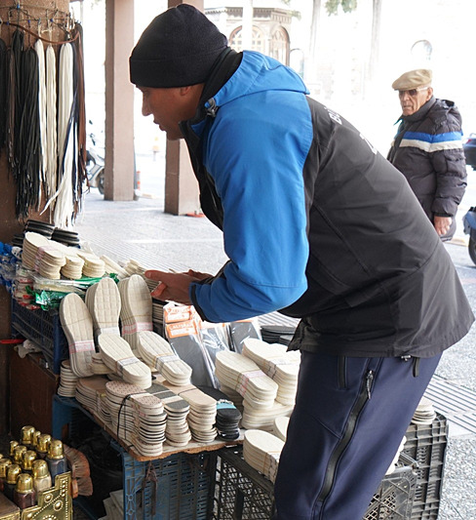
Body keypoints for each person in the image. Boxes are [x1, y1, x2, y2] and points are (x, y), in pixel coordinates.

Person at [130, 6, 473, 520]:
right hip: (355, 307)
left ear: (182, 85)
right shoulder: (246, 102)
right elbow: (279, 247)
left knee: (316, 501)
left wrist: (199, 296)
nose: (144, 110)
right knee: (305, 485)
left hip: (387, 318)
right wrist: (210, 285)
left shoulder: (247, 126)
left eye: (146, 92)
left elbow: (271, 281)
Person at [387, 69, 467, 241]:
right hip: (406, 217)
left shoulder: (441, 123)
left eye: (412, 92)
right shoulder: (410, 121)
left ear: (428, 92)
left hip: (426, 222)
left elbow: (453, 174)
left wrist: (443, 214)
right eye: (401, 93)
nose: (404, 98)